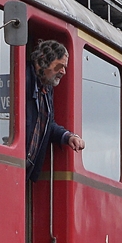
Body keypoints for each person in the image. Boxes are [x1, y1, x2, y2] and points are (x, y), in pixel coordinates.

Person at [26, 39, 84, 181]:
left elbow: (47, 124)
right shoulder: (23, 79)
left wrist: (68, 136)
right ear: (43, 60)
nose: (64, 72)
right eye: (60, 65)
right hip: (10, 163)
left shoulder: (46, 89)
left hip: (24, 170)